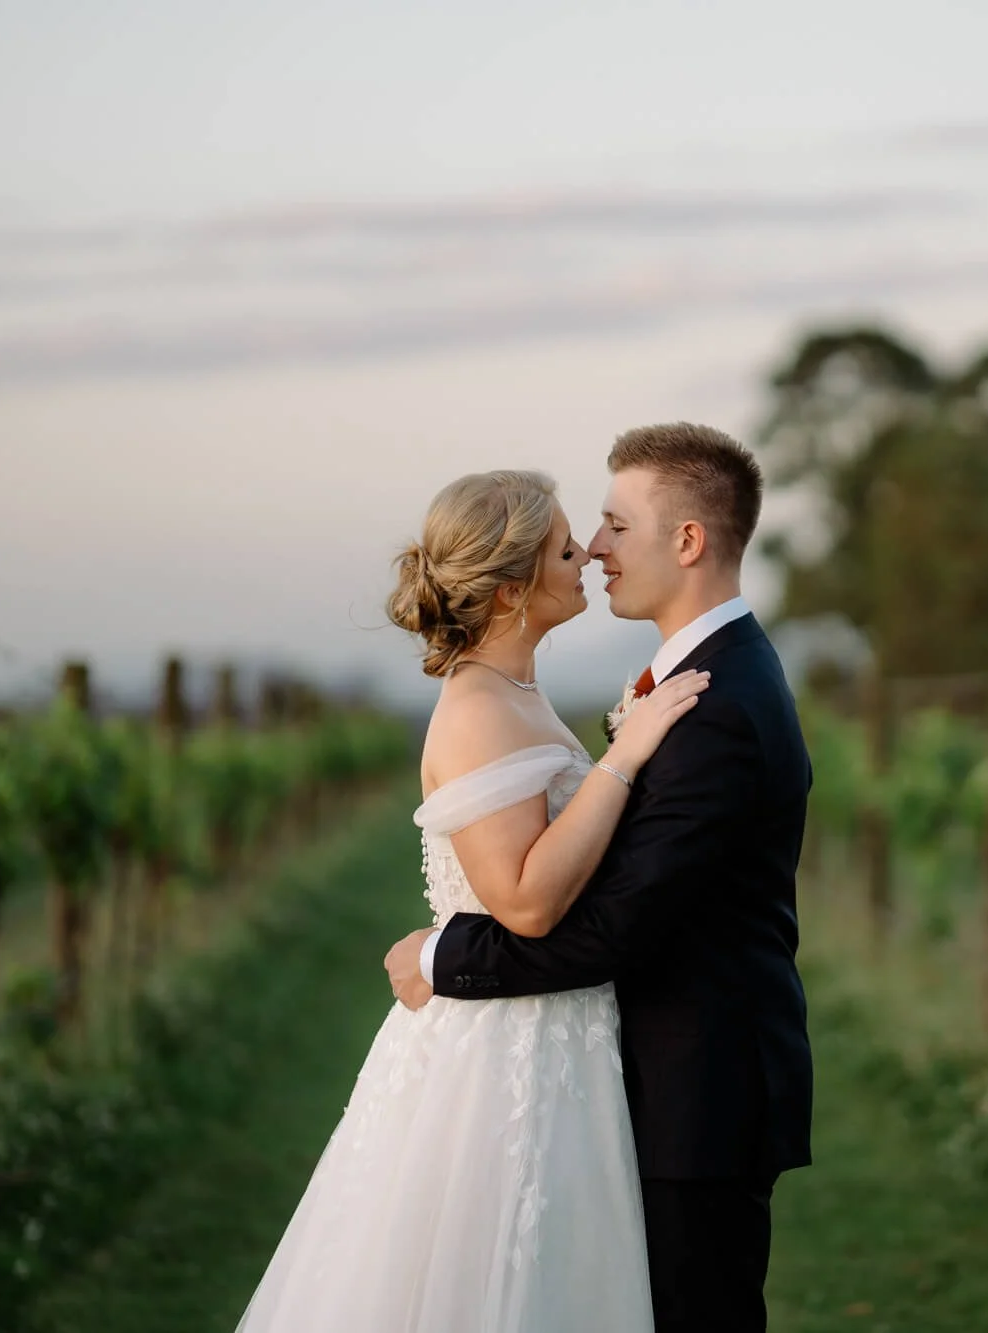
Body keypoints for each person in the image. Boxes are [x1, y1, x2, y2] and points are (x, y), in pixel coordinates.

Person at [231, 464, 705, 1332]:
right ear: (515, 585)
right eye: (567, 548)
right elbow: (523, 901)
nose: (587, 554)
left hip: (559, 1032)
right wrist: (623, 759)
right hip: (503, 1056)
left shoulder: (519, 691)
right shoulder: (482, 708)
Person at [386, 422, 815, 1333]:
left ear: (688, 540)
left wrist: (445, 959)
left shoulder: (718, 704)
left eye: (615, 525)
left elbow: (616, 924)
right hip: (638, 1084)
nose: (594, 550)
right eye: (578, 538)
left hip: (697, 1100)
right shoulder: (697, 681)